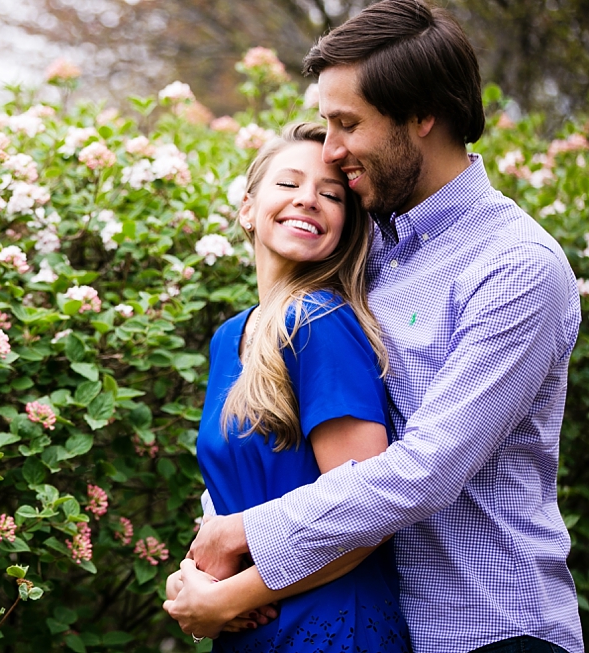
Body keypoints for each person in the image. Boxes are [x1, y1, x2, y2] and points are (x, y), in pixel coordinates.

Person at [167, 1, 584, 653]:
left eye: (347, 124)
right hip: (379, 625)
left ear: (423, 116)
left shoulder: (513, 266)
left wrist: (243, 536)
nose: (331, 151)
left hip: (490, 626)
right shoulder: (370, 251)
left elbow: (425, 471)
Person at [169, 121, 411, 652]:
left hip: (331, 626)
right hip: (251, 628)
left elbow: (367, 509)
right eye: (288, 184)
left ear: (344, 227)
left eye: (330, 194)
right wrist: (193, 579)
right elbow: (231, 499)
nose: (308, 200)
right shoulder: (231, 336)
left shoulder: (318, 322)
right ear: (248, 209)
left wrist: (229, 597)